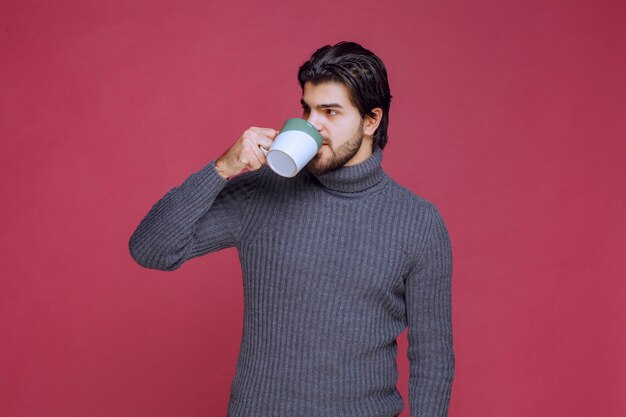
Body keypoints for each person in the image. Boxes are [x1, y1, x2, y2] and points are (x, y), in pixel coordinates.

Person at [129, 41, 455, 417]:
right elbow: (150, 249)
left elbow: (433, 361)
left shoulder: (418, 222)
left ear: (371, 121)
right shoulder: (263, 191)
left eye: (330, 111)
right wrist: (222, 168)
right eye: (307, 109)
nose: (312, 124)